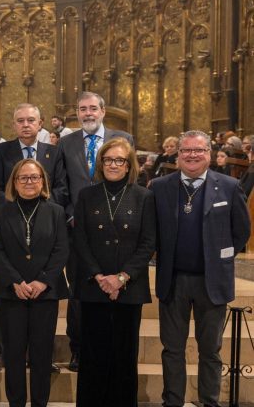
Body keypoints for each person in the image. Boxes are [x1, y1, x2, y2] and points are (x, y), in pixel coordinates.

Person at [152, 130, 250, 407]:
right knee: (172, 349)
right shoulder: (160, 186)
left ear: (209, 153)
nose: (192, 155)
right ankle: (172, 401)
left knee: (210, 351)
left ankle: (209, 402)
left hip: (212, 282)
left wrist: (221, 256)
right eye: (186, 150)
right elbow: (152, 232)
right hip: (173, 281)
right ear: (178, 155)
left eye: (199, 150)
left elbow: (241, 231)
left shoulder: (229, 186)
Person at [73, 137, 156, 406]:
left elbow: (148, 243)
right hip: (93, 287)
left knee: (124, 355)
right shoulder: (87, 195)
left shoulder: (144, 196)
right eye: (108, 159)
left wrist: (121, 278)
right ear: (101, 163)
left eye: (119, 160)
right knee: (93, 354)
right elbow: (81, 240)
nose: (113, 164)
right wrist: (99, 277)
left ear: (128, 164)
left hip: (129, 288)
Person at [0, 103, 67, 373]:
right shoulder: (1, 151)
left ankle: (41, 357)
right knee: (8, 297)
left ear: (40, 123)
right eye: (20, 120)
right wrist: (11, 210)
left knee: (42, 312)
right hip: (10, 223)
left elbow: (60, 186)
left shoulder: (54, 152)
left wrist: (43, 209)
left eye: (30, 120)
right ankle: (1, 353)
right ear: (13, 124)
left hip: (43, 222)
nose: (25, 124)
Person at [57, 91, 133, 371]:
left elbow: (133, 180)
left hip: (116, 231)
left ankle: (113, 348)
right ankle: (78, 349)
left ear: (102, 111)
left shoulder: (124, 140)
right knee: (78, 291)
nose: (87, 113)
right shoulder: (66, 143)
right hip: (77, 231)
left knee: (115, 287)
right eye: (82, 109)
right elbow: (60, 185)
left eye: (92, 108)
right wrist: (69, 215)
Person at [0, 159, 68, 407]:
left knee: (42, 354)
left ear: (43, 181)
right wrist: (16, 281)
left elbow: (61, 250)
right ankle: (16, 403)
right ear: (14, 182)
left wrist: (43, 282)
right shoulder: (1, 212)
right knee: (13, 354)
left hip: (45, 293)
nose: (29, 182)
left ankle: (40, 403)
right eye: (23, 178)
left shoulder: (55, 211)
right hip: (11, 293)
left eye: (34, 177)